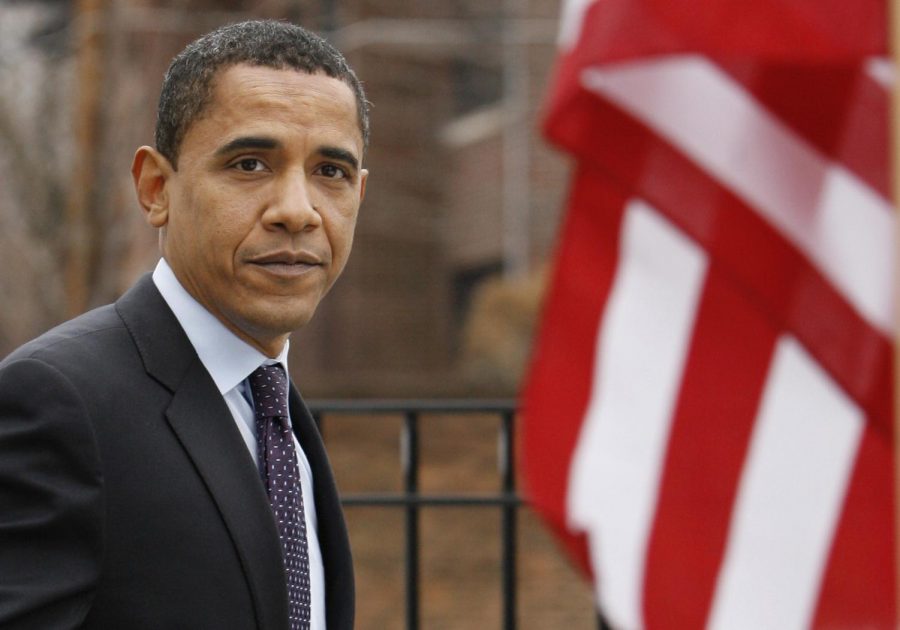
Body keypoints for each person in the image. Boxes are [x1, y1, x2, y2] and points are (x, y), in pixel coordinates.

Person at [0, 19, 368, 630]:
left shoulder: (275, 410)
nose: (297, 211)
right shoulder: (59, 401)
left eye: (329, 172)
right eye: (250, 164)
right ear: (155, 189)